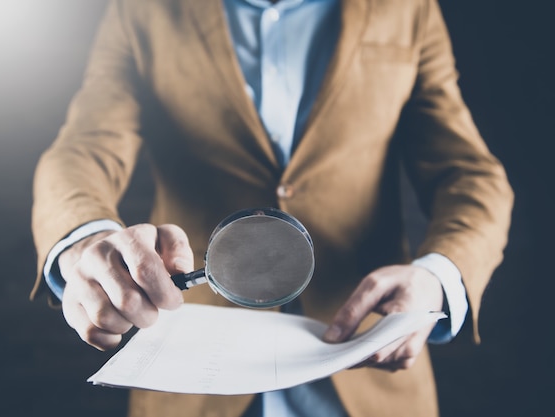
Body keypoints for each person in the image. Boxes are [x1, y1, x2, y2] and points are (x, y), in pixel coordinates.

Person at [30, 0, 513, 416]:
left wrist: (437, 277)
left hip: (370, 373)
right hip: (190, 381)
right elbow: (82, 149)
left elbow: (471, 174)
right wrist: (86, 243)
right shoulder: (145, 9)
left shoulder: (408, 8)